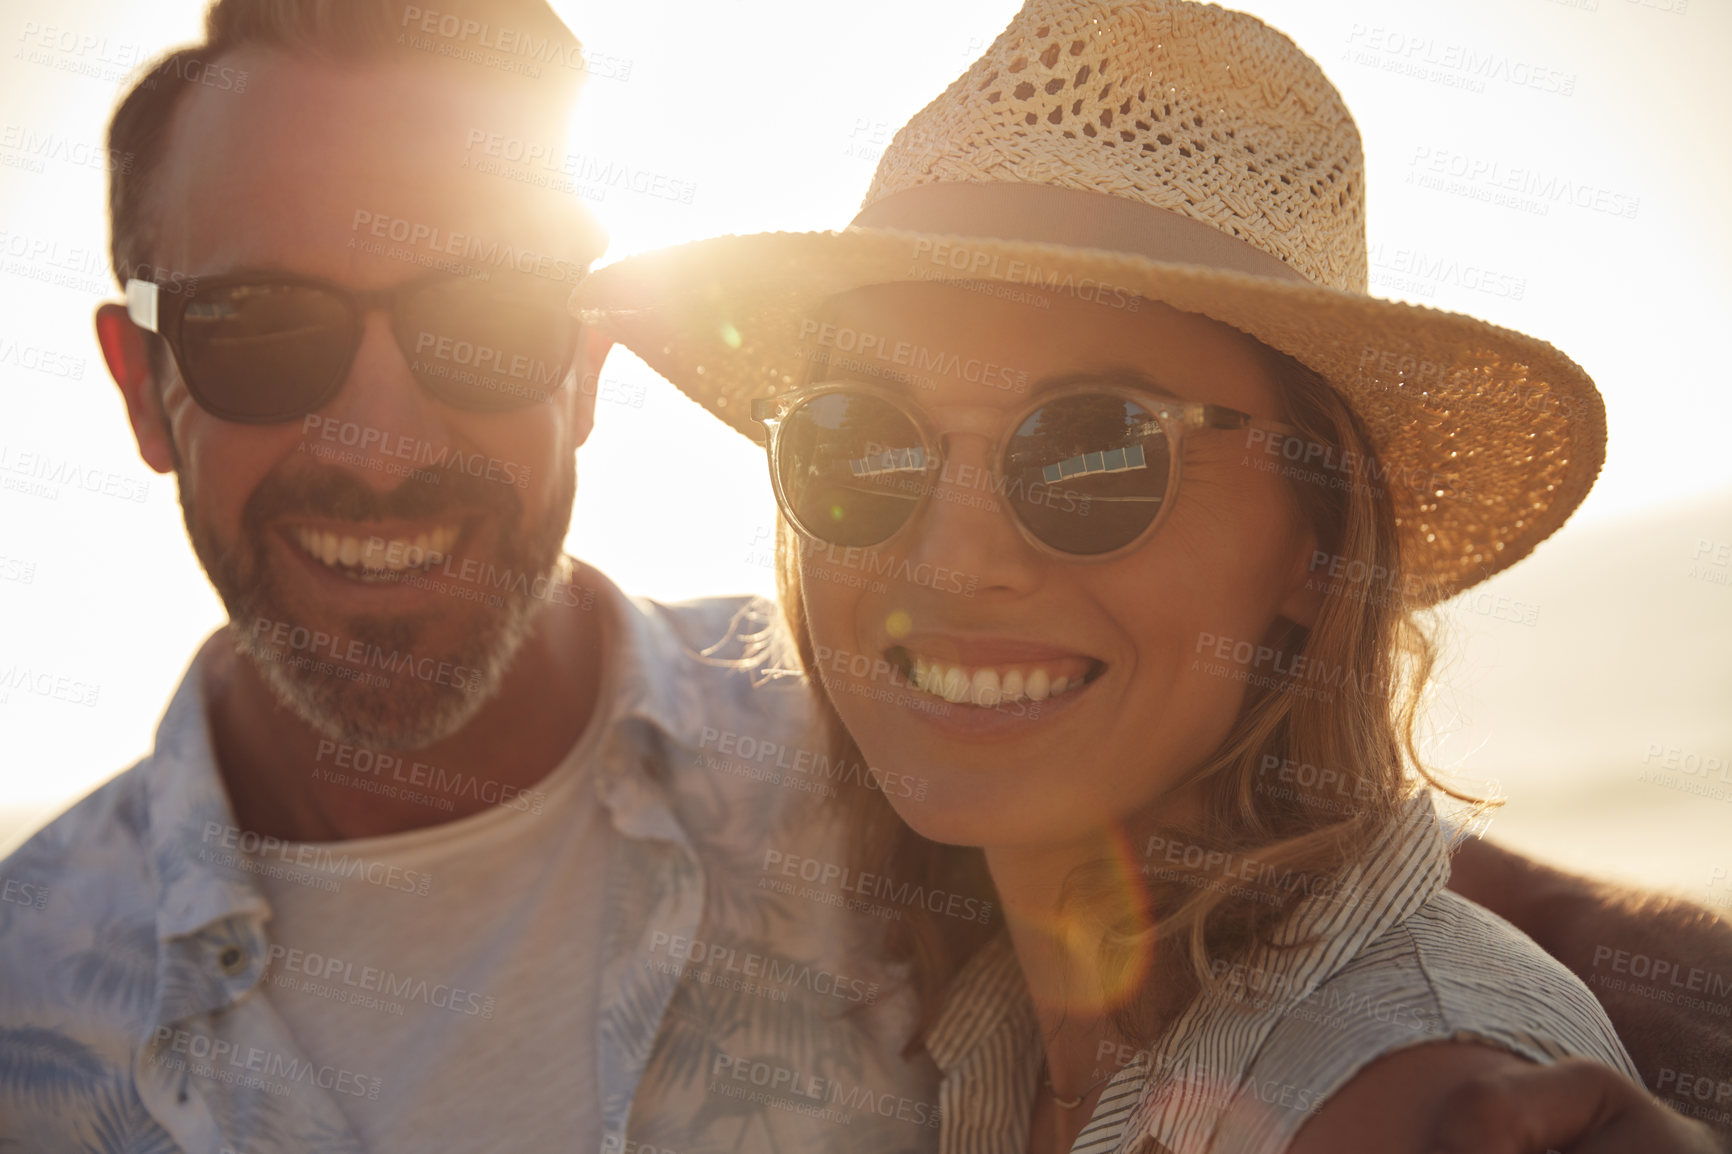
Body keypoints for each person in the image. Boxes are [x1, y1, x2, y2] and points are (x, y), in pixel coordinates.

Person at [576, 0, 1732, 1150]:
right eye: (859, 441)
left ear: (1316, 547)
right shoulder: (997, 1031)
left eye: (1095, 450)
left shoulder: (1400, 1101)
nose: (951, 557)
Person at [0, 1, 931, 1151]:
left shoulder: (888, 783)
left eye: (486, 317)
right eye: (260, 328)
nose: (378, 447)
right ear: (142, 384)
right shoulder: (20, 997)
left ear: (586, 373)